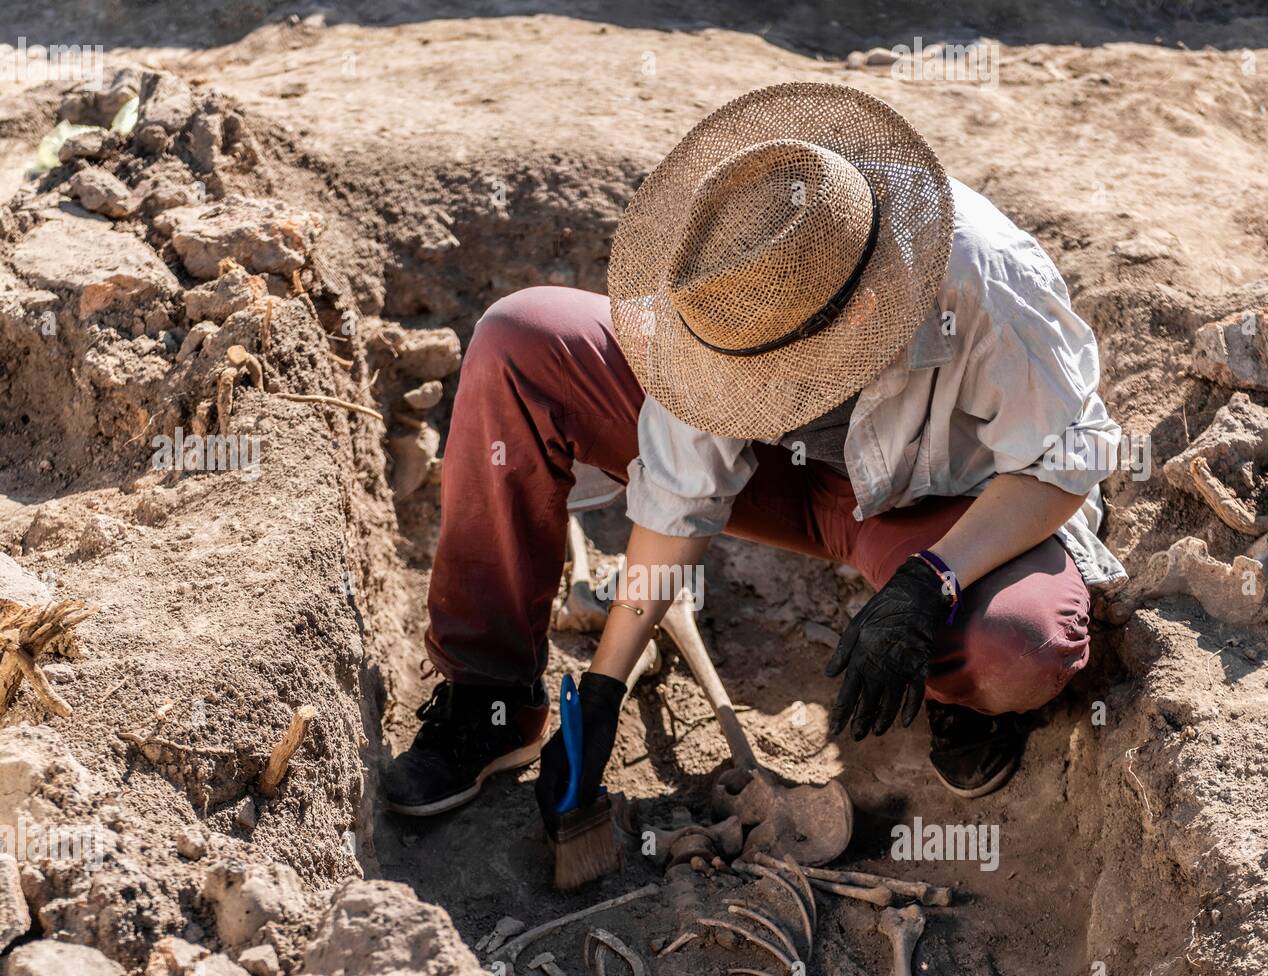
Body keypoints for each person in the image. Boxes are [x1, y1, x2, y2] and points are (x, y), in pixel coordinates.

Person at [382, 82, 1125, 825]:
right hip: (782, 486)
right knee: (522, 339)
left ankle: (954, 683)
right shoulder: (730, 274)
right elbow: (682, 493)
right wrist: (604, 690)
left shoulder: (987, 282)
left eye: (781, 373)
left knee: (1015, 647)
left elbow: (1061, 463)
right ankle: (491, 700)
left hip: (948, 507)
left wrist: (932, 583)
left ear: (862, 313)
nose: (755, 389)